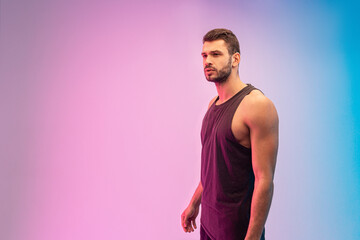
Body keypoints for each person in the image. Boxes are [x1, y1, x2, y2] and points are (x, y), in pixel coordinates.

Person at [181, 28, 279, 240]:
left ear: (235, 59)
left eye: (216, 54)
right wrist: (194, 203)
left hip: (236, 232)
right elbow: (212, 168)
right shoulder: (212, 106)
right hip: (208, 226)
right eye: (204, 55)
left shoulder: (257, 105)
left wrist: (252, 237)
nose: (207, 61)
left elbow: (265, 180)